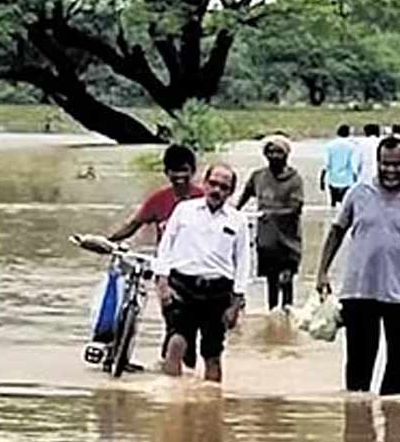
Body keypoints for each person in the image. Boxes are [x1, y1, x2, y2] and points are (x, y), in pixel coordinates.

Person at [315, 137, 400, 396]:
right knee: (358, 370)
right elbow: (337, 232)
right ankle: (358, 427)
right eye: (385, 164)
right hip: (358, 293)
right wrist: (322, 272)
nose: (391, 170)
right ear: (377, 163)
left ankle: (396, 423)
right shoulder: (358, 193)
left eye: (397, 165)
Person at [103, 144, 205, 370]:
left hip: (198, 270)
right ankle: (170, 375)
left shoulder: (203, 198)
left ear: (193, 171)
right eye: (173, 171)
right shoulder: (159, 200)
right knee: (173, 321)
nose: (179, 177)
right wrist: (107, 242)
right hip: (167, 271)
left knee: (192, 329)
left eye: (184, 171)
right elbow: (133, 225)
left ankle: (182, 369)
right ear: (166, 173)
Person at [154, 163, 250, 382]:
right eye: (213, 184)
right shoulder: (184, 210)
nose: (217, 190)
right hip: (182, 285)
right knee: (176, 342)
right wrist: (162, 283)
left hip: (218, 291)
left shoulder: (238, 221)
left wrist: (236, 303)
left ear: (231, 192)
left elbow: (243, 262)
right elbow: (165, 246)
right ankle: (172, 400)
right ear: (204, 184)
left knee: (212, 353)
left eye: (223, 187)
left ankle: (212, 406)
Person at [238, 135, 305, 311]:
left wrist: (272, 214)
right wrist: (234, 214)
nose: (274, 155)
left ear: (287, 154)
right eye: (270, 152)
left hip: (289, 239)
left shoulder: (294, 179)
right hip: (267, 240)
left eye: (279, 152)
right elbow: (244, 196)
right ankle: (273, 317)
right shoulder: (258, 176)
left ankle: (287, 312)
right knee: (271, 280)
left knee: (287, 279)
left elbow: (296, 207)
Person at [321, 124, 359, 206]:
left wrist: (322, 180)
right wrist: (356, 180)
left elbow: (326, 164)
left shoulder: (330, 145)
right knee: (345, 204)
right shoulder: (352, 146)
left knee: (333, 204)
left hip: (333, 179)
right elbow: (353, 165)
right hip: (347, 180)